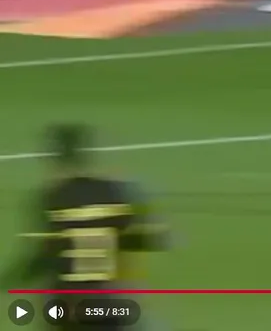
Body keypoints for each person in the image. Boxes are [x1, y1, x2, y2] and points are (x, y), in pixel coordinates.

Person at [1, 125, 168, 328]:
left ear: (53, 158)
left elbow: (43, 258)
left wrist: (7, 281)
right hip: (111, 303)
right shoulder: (116, 191)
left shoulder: (51, 198)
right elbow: (149, 239)